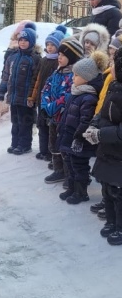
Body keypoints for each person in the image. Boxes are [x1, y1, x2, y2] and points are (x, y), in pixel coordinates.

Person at [58, 50, 107, 204]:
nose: (73, 78)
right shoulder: (77, 92)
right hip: (69, 135)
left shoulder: (89, 97)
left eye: (76, 76)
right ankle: (72, 188)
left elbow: (86, 121)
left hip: (80, 140)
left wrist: (79, 138)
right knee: (71, 164)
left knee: (79, 166)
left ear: (87, 78)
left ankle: (81, 192)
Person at [85, 48, 122, 245]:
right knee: (107, 189)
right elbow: (103, 113)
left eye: (115, 64)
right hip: (108, 150)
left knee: (119, 192)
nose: (111, 67)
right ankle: (111, 221)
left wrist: (101, 134)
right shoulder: (114, 86)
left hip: (119, 153)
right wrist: (94, 124)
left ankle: (120, 227)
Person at [40, 37, 84, 183]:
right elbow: (46, 88)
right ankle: (58, 170)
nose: (59, 57)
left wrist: (52, 107)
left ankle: (68, 174)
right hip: (53, 117)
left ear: (71, 58)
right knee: (53, 144)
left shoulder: (74, 76)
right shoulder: (57, 72)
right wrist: (45, 106)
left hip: (65, 118)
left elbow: (68, 95)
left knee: (64, 146)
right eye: (59, 54)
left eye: (63, 55)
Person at [0, 26, 41, 155]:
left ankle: (25, 145)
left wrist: (32, 98)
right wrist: (2, 90)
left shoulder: (35, 58)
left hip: (26, 98)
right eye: (20, 39)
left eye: (26, 40)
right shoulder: (13, 57)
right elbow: (6, 74)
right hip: (14, 96)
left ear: (32, 42)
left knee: (25, 122)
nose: (22, 42)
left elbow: (36, 80)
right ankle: (15, 143)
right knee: (15, 121)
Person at [30, 26, 67, 160]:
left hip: (52, 100)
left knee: (51, 127)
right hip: (42, 99)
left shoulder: (59, 61)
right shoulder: (43, 60)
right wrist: (33, 96)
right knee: (41, 125)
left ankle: (52, 153)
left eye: (53, 45)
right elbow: (38, 79)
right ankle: (43, 150)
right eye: (48, 44)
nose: (50, 47)